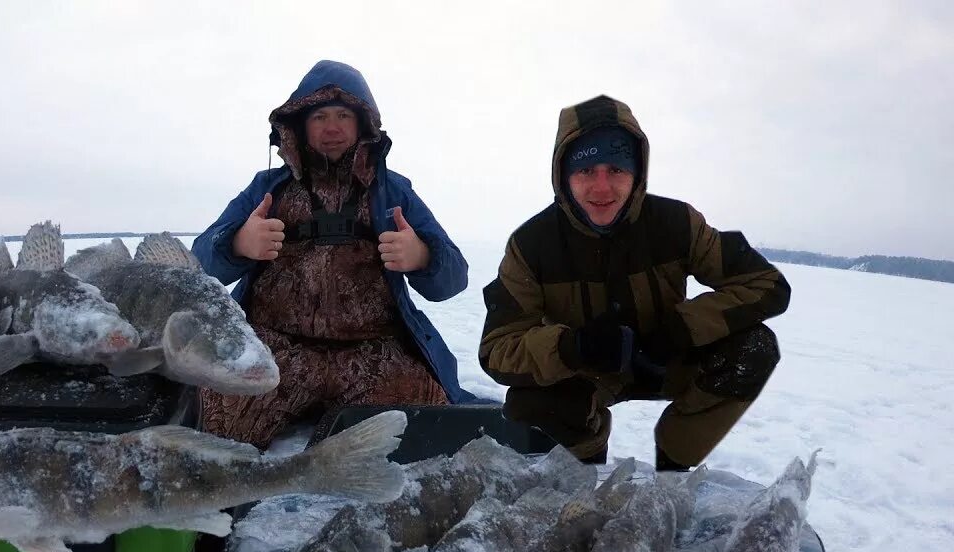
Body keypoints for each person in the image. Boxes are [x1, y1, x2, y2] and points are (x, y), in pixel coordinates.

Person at [479, 95, 790, 471]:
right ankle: (584, 471)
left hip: (666, 360)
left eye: (616, 169)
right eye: (586, 171)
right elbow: (497, 349)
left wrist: (683, 327)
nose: (602, 189)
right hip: (584, 374)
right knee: (531, 401)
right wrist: (571, 347)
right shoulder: (531, 246)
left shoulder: (678, 223)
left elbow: (767, 283)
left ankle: (673, 467)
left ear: (638, 170)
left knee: (753, 348)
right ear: (562, 174)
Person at [192, 60, 474, 448]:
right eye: (320, 116)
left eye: (343, 115)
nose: (332, 127)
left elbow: (455, 278)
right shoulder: (265, 188)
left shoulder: (395, 192)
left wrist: (423, 255)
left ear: (363, 125)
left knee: (431, 438)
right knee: (210, 436)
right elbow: (200, 265)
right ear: (299, 125)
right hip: (275, 351)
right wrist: (238, 243)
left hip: (374, 355)